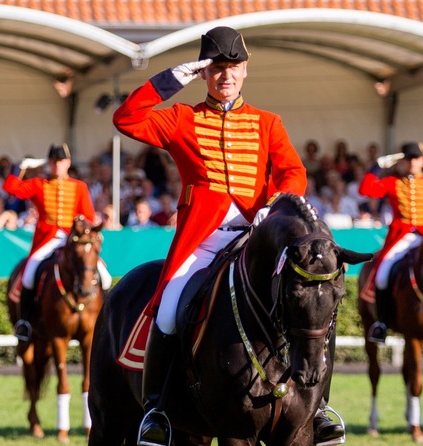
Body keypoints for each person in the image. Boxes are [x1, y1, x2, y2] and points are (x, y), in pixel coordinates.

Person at [113, 26, 344, 446]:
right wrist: (170, 78)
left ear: (245, 70)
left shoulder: (267, 122)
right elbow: (126, 118)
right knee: (167, 310)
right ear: (204, 73)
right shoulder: (183, 118)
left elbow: (293, 172)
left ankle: (320, 408)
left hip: (259, 238)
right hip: (202, 240)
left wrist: (273, 209)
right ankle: (159, 410)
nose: (226, 76)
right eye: (217, 68)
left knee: (313, 301)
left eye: (233, 67)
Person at [357, 142, 423, 344]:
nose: (412, 162)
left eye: (416, 158)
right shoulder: (392, 182)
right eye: (408, 158)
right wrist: (377, 167)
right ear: (402, 161)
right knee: (381, 275)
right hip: (401, 236)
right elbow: (366, 189)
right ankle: (381, 323)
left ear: (422, 161)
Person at [3, 144, 107, 341]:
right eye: (53, 162)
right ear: (48, 164)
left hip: (72, 239)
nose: (56, 165)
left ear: (67, 163)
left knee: (104, 275)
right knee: (29, 273)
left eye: (60, 162)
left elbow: (88, 216)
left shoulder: (79, 187)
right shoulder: (39, 184)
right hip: (47, 239)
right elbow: (11, 188)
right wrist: (19, 167)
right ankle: (24, 321)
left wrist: (81, 227)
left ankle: (106, 318)